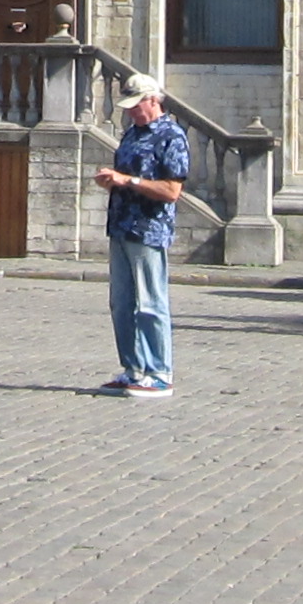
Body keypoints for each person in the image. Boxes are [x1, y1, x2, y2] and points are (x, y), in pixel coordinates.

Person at [94, 75, 190, 397]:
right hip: (121, 225)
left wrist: (128, 181)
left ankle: (159, 372)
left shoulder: (171, 136)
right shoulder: (132, 133)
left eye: (137, 105)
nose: (131, 111)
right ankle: (133, 369)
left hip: (149, 228)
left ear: (153, 100)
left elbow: (172, 190)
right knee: (121, 303)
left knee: (150, 302)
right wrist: (112, 182)